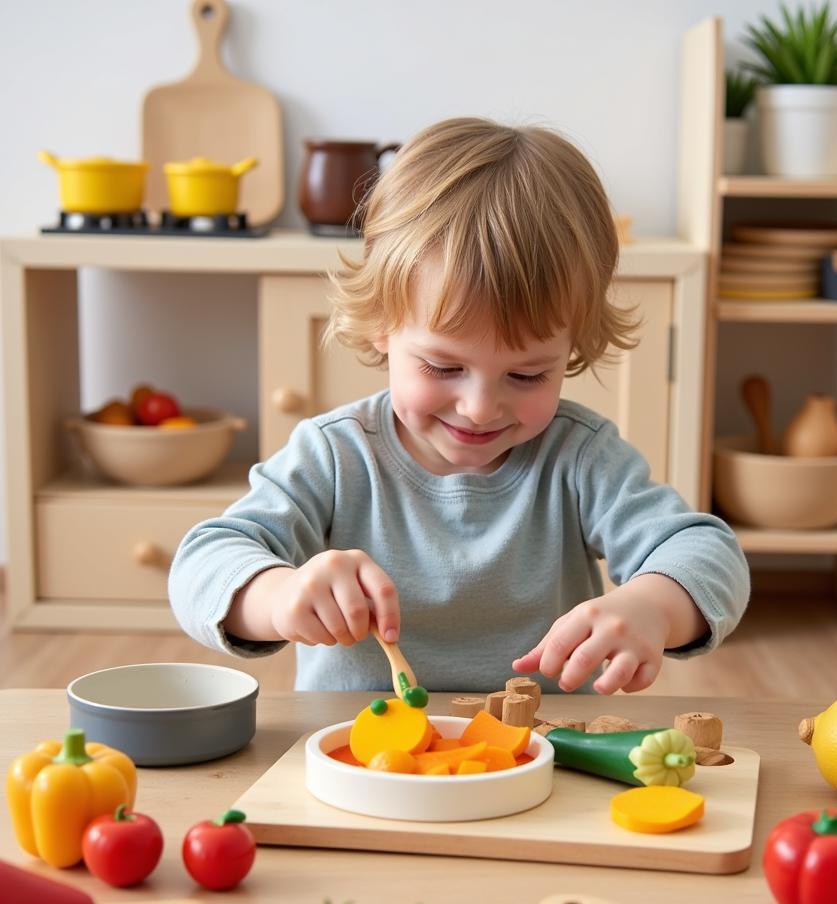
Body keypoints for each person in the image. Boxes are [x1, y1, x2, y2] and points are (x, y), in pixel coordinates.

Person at [169, 117, 750, 695]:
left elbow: (706, 552)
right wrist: (277, 594)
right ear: (382, 327)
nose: (478, 407)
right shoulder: (336, 454)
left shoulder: (580, 457)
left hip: (541, 760)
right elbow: (203, 562)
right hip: (365, 763)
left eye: (527, 374)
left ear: (571, 349)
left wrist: (653, 604)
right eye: (443, 368)